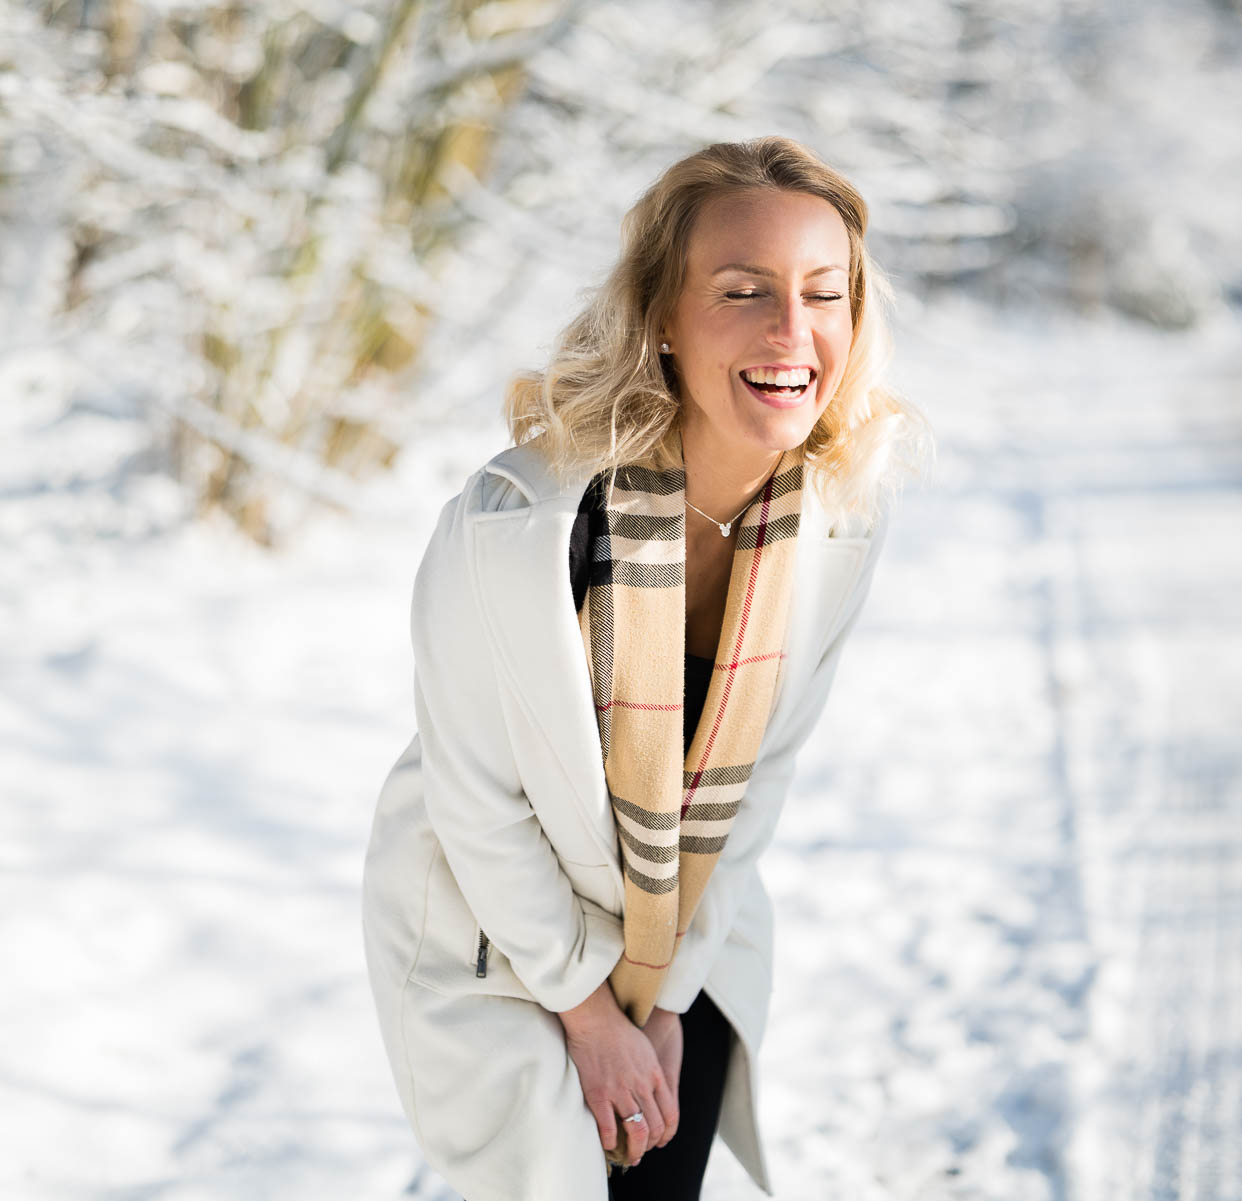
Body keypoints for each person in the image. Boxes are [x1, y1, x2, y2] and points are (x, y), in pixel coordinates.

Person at [360, 136, 933, 1201]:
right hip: (502, 926)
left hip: (691, 926)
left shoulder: (837, 523)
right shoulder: (518, 522)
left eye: (824, 293)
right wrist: (588, 1012)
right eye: (743, 290)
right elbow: (477, 800)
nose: (791, 332)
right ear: (663, 316)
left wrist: (666, 1000)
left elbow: (764, 780)